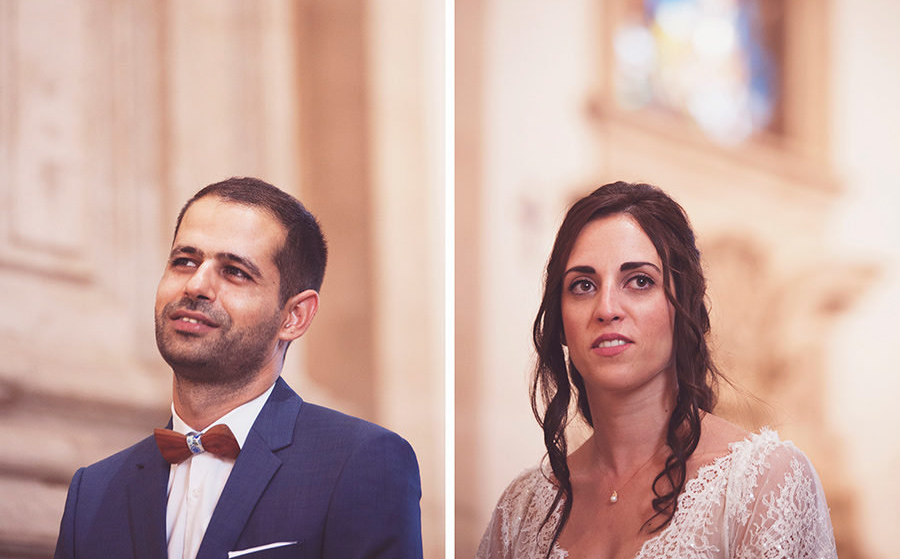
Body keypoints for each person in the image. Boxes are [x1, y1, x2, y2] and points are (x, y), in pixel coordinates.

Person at [54, 177, 423, 559]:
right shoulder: (93, 491)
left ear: (294, 316)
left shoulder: (361, 462)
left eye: (235, 272)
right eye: (184, 261)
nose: (196, 285)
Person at [477, 182, 837, 559]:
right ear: (561, 321)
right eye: (583, 285)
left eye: (639, 281)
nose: (607, 308)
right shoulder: (520, 512)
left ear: (684, 309)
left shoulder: (763, 483)